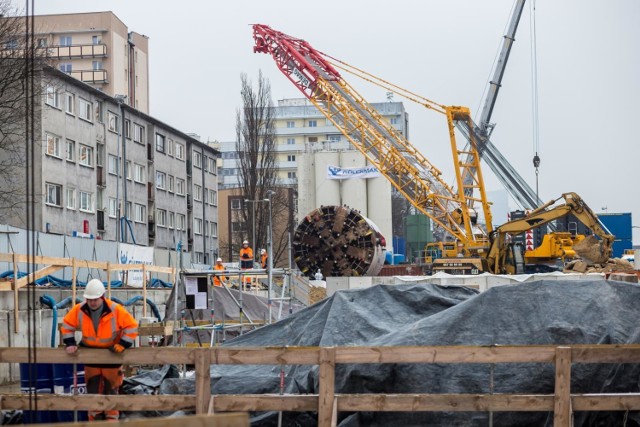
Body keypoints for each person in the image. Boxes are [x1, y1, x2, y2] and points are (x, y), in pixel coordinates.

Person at [61, 279, 138, 421]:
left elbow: (132, 326)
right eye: (89, 300)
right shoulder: (79, 309)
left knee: (111, 391)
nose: (92, 303)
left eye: (95, 299)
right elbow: (66, 325)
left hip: (112, 356)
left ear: (102, 297)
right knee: (92, 391)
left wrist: (123, 344)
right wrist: (70, 343)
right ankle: (94, 419)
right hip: (91, 358)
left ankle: (111, 420)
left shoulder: (115, 309)